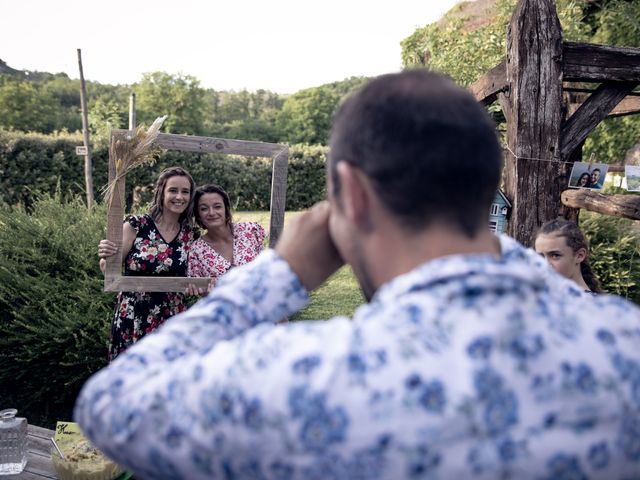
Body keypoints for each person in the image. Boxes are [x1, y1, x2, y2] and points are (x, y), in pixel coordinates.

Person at [76, 71, 640, 479]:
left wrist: (281, 273)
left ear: (352, 195)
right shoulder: (625, 339)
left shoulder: (307, 377)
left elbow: (111, 406)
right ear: (485, 187)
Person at [97, 166, 197, 361]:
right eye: (173, 190)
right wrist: (106, 255)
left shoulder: (190, 234)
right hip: (135, 313)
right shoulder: (136, 225)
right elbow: (108, 271)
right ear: (161, 192)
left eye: (185, 192)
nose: (179, 197)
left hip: (173, 314)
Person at [187, 184, 265, 286]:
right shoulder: (196, 251)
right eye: (204, 209)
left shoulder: (250, 230)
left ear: (226, 208)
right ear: (198, 215)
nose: (211, 212)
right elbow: (202, 290)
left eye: (217, 207)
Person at [534, 218, 603, 294]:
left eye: (555, 255)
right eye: (540, 256)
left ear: (580, 255)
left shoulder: (590, 304)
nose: (545, 264)